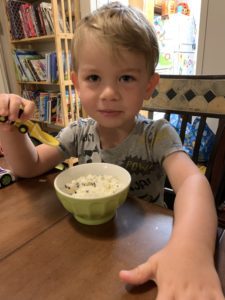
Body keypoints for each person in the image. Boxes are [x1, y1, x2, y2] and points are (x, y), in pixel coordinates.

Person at [0, 2, 224, 299]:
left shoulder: (156, 135)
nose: (109, 93)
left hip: (145, 248)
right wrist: (11, 130)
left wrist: (191, 249)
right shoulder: (78, 132)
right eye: (94, 78)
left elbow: (192, 183)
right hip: (83, 246)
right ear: (76, 82)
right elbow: (30, 167)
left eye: (126, 78)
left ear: (148, 85)